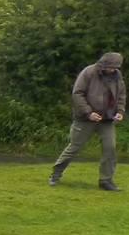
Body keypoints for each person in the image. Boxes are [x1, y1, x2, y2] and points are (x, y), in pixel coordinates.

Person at [49, 52, 125, 191]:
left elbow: (121, 95)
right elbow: (77, 94)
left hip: (107, 119)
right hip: (85, 119)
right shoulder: (89, 72)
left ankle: (106, 181)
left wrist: (120, 111)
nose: (113, 70)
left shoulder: (117, 75)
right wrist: (89, 112)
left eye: (115, 67)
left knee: (110, 148)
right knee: (74, 147)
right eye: (111, 67)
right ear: (104, 64)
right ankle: (56, 174)